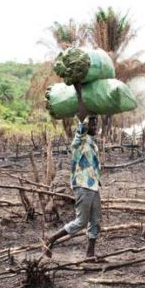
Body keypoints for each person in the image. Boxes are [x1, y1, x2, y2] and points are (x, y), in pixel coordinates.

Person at [44, 84, 102, 259]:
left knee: (95, 221)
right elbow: (80, 132)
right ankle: (51, 239)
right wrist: (83, 115)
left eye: (95, 122)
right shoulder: (79, 143)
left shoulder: (92, 143)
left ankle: (90, 255)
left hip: (93, 187)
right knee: (81, 222)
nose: (94, 125)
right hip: (83, 186)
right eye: (92, 123)